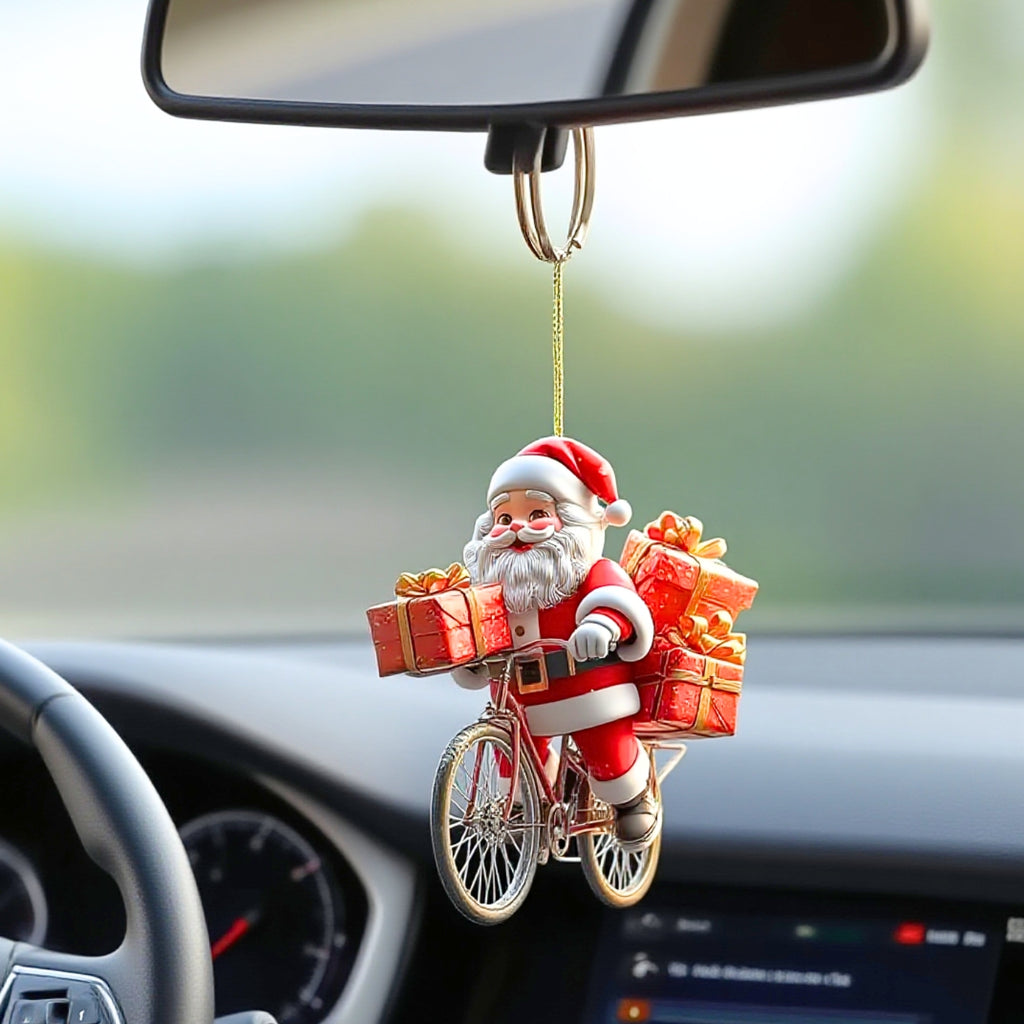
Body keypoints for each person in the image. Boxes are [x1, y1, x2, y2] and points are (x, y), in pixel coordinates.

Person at [453, 436, 660, 846]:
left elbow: (616, 601)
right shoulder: (492, 584)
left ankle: (632, 801)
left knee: (609, 752)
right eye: (504, 517)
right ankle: (522, 804)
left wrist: (602, 627)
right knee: (512, 756)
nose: (516, 529)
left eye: (536, 513)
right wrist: (469, 656)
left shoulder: (589, 571)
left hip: (588, 690)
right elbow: (477, 625)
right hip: (517, 701)